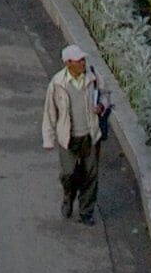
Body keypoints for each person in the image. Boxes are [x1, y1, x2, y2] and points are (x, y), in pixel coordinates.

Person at [40, 41, 110, 221]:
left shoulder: (93, 77)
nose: (83, 63)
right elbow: (50, 112)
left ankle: (86, 212)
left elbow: (106, 94)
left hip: (90, 135)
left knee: (90, 174)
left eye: (83, 60)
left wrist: (102, 105)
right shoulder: (57, 83)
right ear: (68, 63)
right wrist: (48, 139)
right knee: (68, 173)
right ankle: (68, 196)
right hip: (68, 138)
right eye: (79, 61)